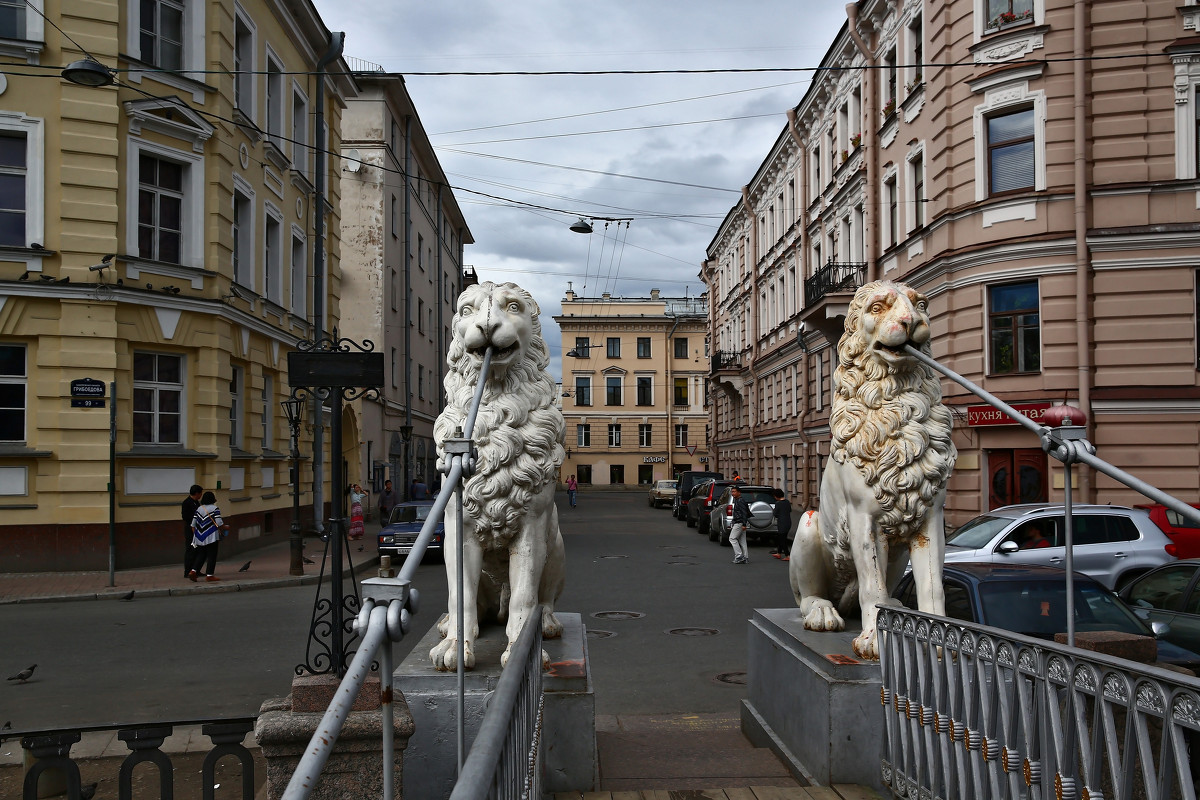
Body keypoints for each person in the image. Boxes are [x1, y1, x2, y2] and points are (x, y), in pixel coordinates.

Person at [187, 491, 230, 582]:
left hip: (199, 536)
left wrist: (196, 536)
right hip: (211, 536)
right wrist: (225, 527)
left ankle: (193, 571)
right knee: (212, 555)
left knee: (201, 554)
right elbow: (219, 523)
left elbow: (193, 525)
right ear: (213, 499)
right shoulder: (215, 508)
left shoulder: (199, 508)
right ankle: (209, 575)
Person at [181, 484, 203, 578]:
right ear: (196, 493)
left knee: (198, 550)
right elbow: (185, 516)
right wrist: (195, 518)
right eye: (200, 493)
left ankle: (196, 570)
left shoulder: (197, 502)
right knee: (191, 550)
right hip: (190, 529)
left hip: (198, 529)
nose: (201, 495)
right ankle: (188, 571)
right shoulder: (187, 502)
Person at [729, 485, 750, 564]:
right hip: (741, 522)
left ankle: (739, 556)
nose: (732, 493)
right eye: (732, 492)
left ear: (739, 492)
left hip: (739, 522)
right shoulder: (738, 500)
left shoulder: (740, 501)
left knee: (732, 539)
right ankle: (745, 557)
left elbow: (744, 513)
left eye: (734, 492)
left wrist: (744, 524)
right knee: (742, 541)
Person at [770, 488, 792, 560]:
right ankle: (779, 553)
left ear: (776, 496)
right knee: (781, 538)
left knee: (782, 540)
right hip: (788, 522)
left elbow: (775, 514)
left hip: (782, 523)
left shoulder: (778, 503)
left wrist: (775, 511)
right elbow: (790, 510)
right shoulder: (787, 502)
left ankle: (787, 555)